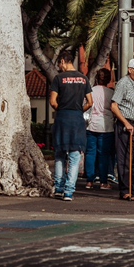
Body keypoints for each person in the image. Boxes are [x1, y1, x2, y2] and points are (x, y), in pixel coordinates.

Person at [49, 50, 93, 201]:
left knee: (60, 154)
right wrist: (79, 110)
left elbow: (52, 101)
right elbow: (90, 102)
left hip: (62, 118)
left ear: (62, 61)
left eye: (59, 64)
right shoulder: (84, 79)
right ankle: (69, 192)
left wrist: (61, 109)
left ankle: (59, 188)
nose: (59, 67)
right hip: (77, 119)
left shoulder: (58, 78)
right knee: (75, 155)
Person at [110, 58, 134, 201]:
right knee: (125, 158)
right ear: (130, 70)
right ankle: (126, 190)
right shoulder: (123, 83)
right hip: (126, 126)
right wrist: (126, 123)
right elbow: (113, 106)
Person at [85, 67, 114, 190]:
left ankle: (89, 181)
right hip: (106, 126)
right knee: (104, 155)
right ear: (108, 80)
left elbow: (85, 106)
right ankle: (103, 182)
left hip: (91, 124)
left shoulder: (90, 91)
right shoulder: (111, 93)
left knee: (90, 153)